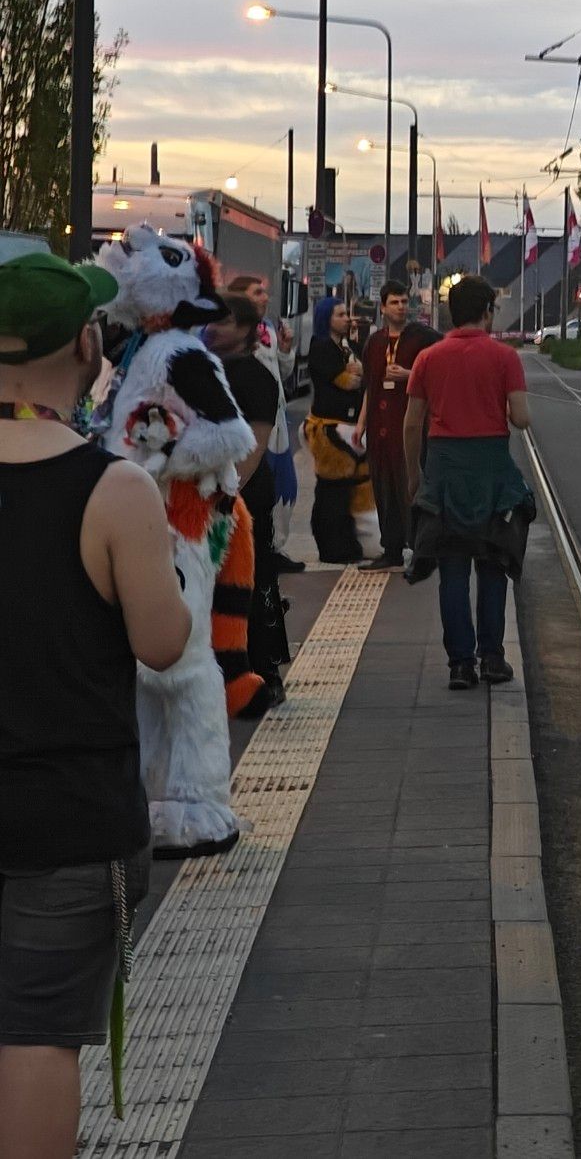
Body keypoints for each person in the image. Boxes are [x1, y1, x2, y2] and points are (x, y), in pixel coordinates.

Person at [0, 251, 191, 1159]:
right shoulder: (113, 488)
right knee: (35, 1032)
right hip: (68, 819)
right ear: (86, 344)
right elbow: (162, 642)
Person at [403, 276, 532, 691]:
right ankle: (492, 657)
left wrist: (414, 475)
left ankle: (460, 664)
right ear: (488, 312)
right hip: (490, 468)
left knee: (452, 569)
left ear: (450, 313)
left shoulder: (428, 358)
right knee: (493, 562)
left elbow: (411, 423)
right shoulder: (504, 357)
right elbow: (521, 418)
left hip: (444, 468)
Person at [209, 293, 289, 714]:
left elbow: (253, 449)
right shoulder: (200, 368)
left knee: (252, 584)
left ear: (244, 329)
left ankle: (263, 672)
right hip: (204, 494)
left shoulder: (256, 376)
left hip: (242, 496)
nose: (211, 327)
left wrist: (227, 492)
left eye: (221, 321)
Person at [358, 279, 439, 572]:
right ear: (383, 307)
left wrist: (410, 374)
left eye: (405, 301)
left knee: (412, 487)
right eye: (395, 302)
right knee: (384, 488)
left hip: (409, 427)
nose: (401, 307)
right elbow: (370, 386)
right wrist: (361, 424)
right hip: (380, 428)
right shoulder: (375, 342)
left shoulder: (424, 338)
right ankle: (391, 549)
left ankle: (422, 551)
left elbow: (440, 374)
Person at [228, 273, 302, 573]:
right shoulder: (233, 335)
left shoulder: (269, 329)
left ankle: (274, 547)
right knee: (256, 488)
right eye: (257, 292)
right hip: (252, 425)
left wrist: (285, 351)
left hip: (277, 422)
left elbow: (281, 375)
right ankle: (254, 549)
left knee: (285, 487)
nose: (265, 297)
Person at [302, 296, 370, 564]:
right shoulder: (320, 347)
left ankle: (348, 542)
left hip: (348, 425)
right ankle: (332, 545)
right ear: (326, 318)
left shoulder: (345, 346)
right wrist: (356, 372)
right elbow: (349, 381)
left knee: (346, 490)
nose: (347, 319)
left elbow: (361, 374)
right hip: (328, 428)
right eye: (340, 315)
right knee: (332, 489)